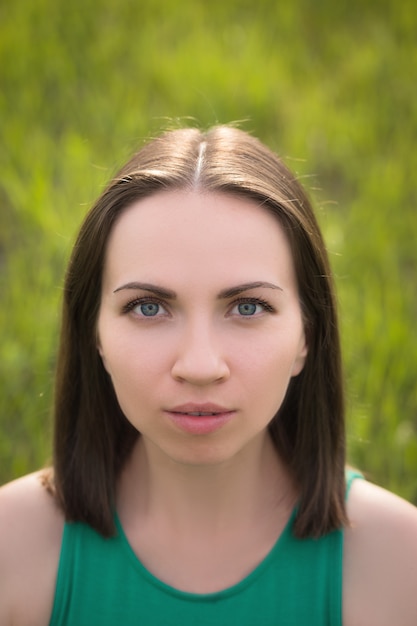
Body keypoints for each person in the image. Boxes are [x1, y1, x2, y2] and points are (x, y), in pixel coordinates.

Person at [0, 125, 416, 626]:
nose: (200, 366)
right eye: (148, 307)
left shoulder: (400, 566)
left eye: (247, 306)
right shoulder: (11, 550)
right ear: (95, 335)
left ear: (307, 334)